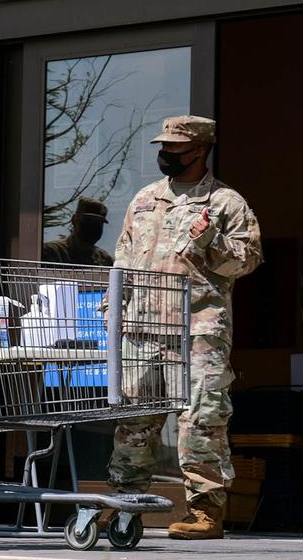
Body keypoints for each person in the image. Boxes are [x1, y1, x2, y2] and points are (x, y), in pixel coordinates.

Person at [103, 115, 263, 539]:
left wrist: (211, 239)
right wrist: (112, 309)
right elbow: (124, 259)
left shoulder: (226, 202)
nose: (165, 155)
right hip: (141, 328)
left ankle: (205, 512)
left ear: (199, 150)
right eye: (163, 147)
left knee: (202, 422)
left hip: (199, 330)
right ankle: (125, 505)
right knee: (135, 423)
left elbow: (246, 262)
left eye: (174, 149)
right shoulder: (144, 200)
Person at [42, 197, 114, 266]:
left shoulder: (105, 260)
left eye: (98, 223)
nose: (92, 227)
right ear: (74, 220)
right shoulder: (50, 252)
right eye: (88, 220)